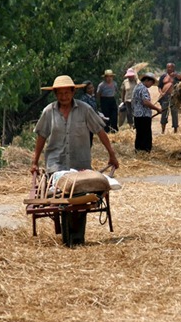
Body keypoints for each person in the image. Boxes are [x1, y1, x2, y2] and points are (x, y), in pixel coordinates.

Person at [31, 75, 120, 246]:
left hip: (80, 166)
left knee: (80, 197)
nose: (63, 96)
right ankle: (69, 236)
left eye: (67, 93)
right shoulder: (49, 111)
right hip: (56, 165)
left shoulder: (85, 109)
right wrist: (34, 161)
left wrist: (112, 154)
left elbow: (100, 131)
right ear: (55, 94)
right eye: (60, 93)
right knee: (62, 195)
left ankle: (77, 238)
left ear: (73, 92)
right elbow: (41, 136)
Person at [132, 73, 163, 152]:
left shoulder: (137, 87)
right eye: (151, 83)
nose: (151, 85)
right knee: (146, 134)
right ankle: (145, 150)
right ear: (147, 80)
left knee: (139, 134)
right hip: (144, 115)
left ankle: (138, 149)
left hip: (137, 114)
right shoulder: (144, 89)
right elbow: (146, 102)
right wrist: (157, 109)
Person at [157, 63, 181, 133]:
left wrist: (175, 75)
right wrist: (161, 93)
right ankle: (163, 131)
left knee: (174, 113)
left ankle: (175, 130)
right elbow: (159, 87)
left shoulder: (176, 76)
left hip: (174, 97)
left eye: (170, 67)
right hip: (165, 97)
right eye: (168, 67)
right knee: (164, 113)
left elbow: (180, 79)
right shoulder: (163, 76)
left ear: (173, 68)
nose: (169, 69)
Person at [79, 80, 97, 146]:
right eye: (89, 88)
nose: (91, 89)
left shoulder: (92, 97)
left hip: (91, 122)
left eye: (92, 87)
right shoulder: (84, 99)